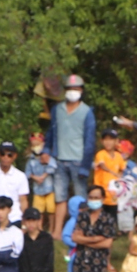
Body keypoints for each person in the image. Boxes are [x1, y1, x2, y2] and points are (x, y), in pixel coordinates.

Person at [48, 74, 97, 229]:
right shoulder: (57, 109)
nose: (72, 92)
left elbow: (90, 141)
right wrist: (46, 150)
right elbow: (51, 132)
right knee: (60, 197)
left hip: (78, 160)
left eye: (76, 89)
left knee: (80, 198)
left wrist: (85, 165)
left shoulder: (87, 112)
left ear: (81, 90)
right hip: (59, 160)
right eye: (69, 88)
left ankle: (81, 229)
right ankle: (57, 231)